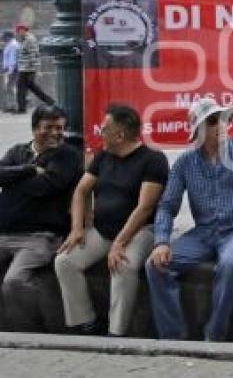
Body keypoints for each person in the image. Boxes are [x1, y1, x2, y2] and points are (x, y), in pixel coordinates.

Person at [145, 97, 233, 341]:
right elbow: (167, 206)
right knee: (155, 266)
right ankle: (173, 337)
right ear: (198, 130)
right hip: (203, 234)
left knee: (231, 265)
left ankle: (215, 334)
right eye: (212, 121)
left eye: (223, 119)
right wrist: (161, 241)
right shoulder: (184, 163)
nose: (221, 125)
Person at [54, 104, 168, 337]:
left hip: (138, 232)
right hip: (102, 230)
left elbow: (145, 207)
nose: (99, 132)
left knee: (123, 266)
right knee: (64, 261)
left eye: (104, 129)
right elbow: (81, 191)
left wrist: (120, 242)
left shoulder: (153, 160)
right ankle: (85, 322)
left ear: (120, 135)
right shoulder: (102, 156)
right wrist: (77, 228)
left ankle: (116, 333)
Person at [0, 104, 82, 330]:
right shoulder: (18, 151)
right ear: (35, 128)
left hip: (40, 237)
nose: (56, 133)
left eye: (60, 128)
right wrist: (29, 170)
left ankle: (26, 331)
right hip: (5, 233)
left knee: (14, 281)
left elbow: (47, 186)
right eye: (49, 127)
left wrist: (12, 179)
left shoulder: (67, 156)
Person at [15, 24, 54, 114]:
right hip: (25, 68)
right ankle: (50, 102)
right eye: (17, 31)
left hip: (27, 69)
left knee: (21, 89)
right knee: (34, 89)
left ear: (24, 30)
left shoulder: (30, 40)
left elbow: (34, 55)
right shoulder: (25, 40)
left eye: (19, 31)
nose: (18, 33)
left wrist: (36, 70)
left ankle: (21, 108)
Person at [2, 31, 18, 112]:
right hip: (9, 69)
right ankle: (11, 105)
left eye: (4, 37)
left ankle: (14, 106)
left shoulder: (13, 45)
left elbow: (12, 59)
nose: (3, 38)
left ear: (8, 37)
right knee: (9, 88)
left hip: (12, 70)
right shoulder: (9, 44)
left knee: (11, 88)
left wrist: (10, 70)